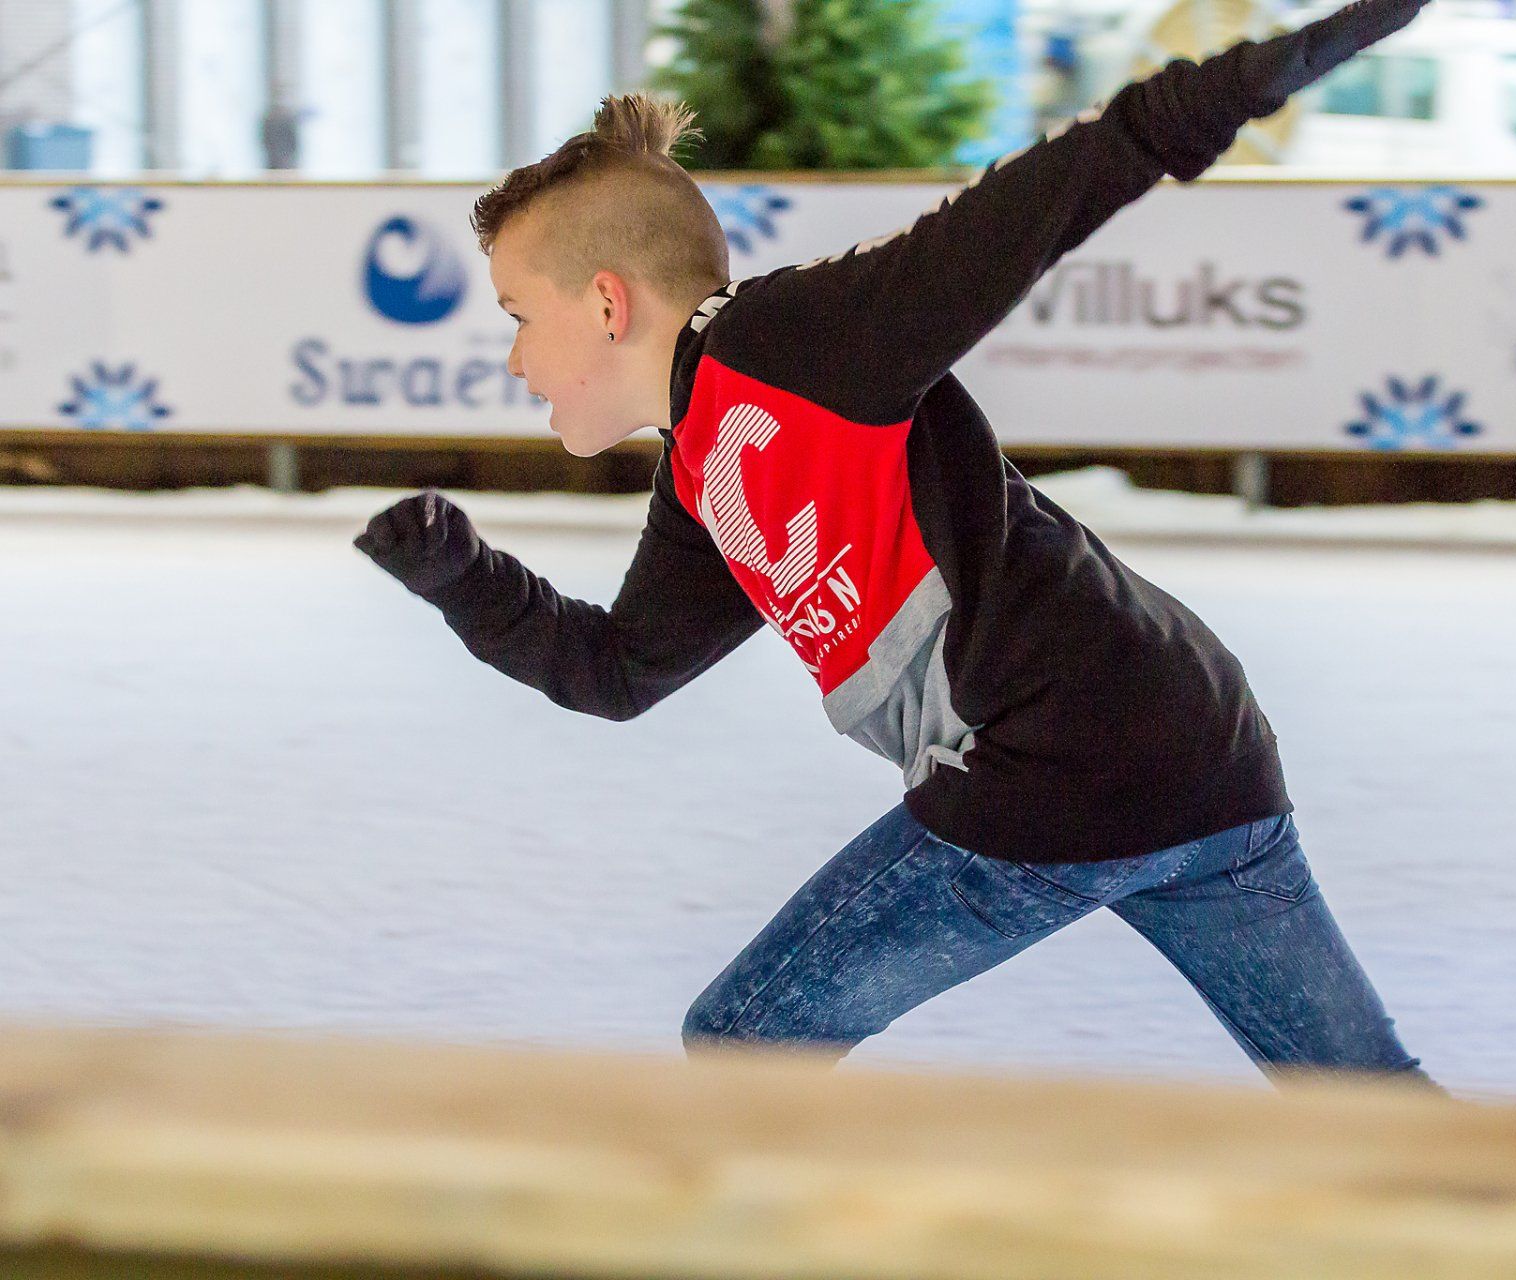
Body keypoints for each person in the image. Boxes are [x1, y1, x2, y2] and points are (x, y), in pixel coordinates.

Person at [354, 0, 1443, 1091]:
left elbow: (1038, 200)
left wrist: (1251, 77)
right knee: (1377, 1110)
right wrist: (460, 575)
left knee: (746, 1039)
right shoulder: (702, 470)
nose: (513, 360)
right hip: (1196, 745)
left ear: (605, 303)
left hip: (1062, 749)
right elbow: (618, 669)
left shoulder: (791, 343)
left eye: (517, 315)